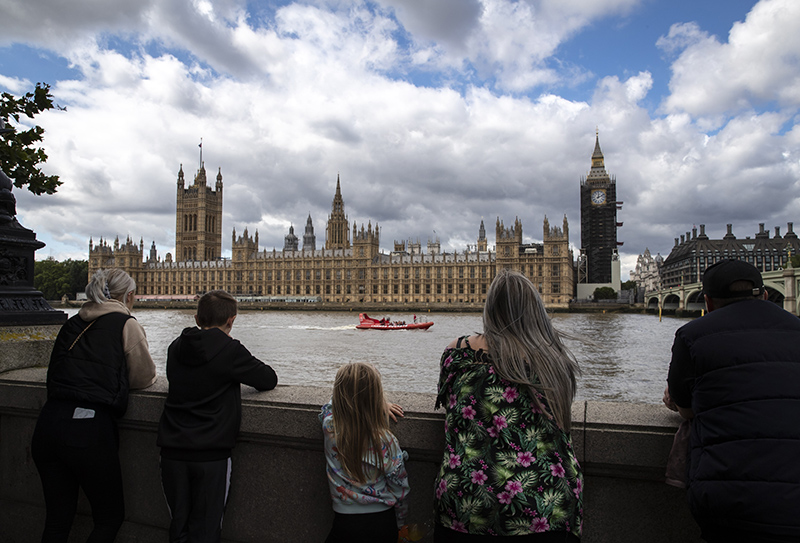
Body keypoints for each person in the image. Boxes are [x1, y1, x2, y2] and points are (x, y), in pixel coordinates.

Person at [433, 268, 583, 542]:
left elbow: (453, 407)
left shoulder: (456, 352)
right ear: (535, 308)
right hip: (545, 506)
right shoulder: (554, 358)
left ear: (489, 308)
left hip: (466, 504)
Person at [665, 259, 800, 543]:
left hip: (728, 499)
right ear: (764, 295)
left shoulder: (692, 335)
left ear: (708, 302)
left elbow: (685, 407)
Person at [31, 268, 156, 542]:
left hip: (48, 426)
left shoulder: (72, 323)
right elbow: (142, 377)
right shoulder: (126, 323)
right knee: (109, 518)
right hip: (87, 431)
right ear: (130, 296)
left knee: (57, 519)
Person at [157, 290, 278, 543]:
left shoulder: (175, 347)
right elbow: (268, 379)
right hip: (210, 455)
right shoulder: (230, 350)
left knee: (178, 527)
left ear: (197, 318)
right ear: (231, 320)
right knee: (206, 530)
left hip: (172, 450)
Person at [320, 362, 410, 543]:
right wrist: (399, 522)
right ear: (376, 398)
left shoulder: (330, 427)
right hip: (382, 521)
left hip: (345, 520)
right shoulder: (385, 440)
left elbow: (329, 406)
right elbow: (401, 488)